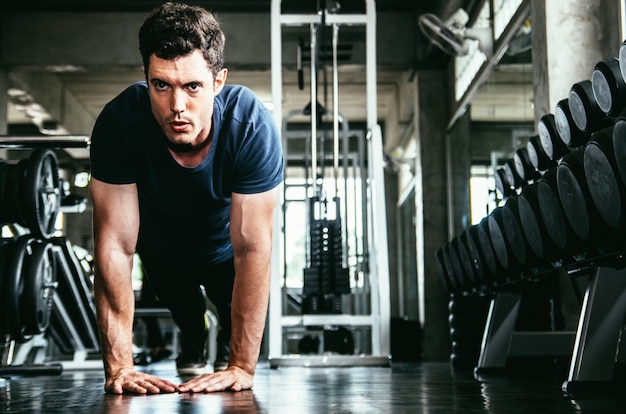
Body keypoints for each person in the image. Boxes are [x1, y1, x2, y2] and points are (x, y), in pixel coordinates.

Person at [89, 1, 283, 394]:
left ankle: (223, 342)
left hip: (224, 251)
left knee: (231, 323)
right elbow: (114, 246)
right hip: (161, 250)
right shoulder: (121, 121)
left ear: (217, 81)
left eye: (192, 86)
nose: (177, 106)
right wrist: (119, 368)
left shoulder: (249, 126)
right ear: (146, 76)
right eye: (161, 85)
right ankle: (194, 336)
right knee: (187, 314)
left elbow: (253, 250)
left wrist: (242, 368)